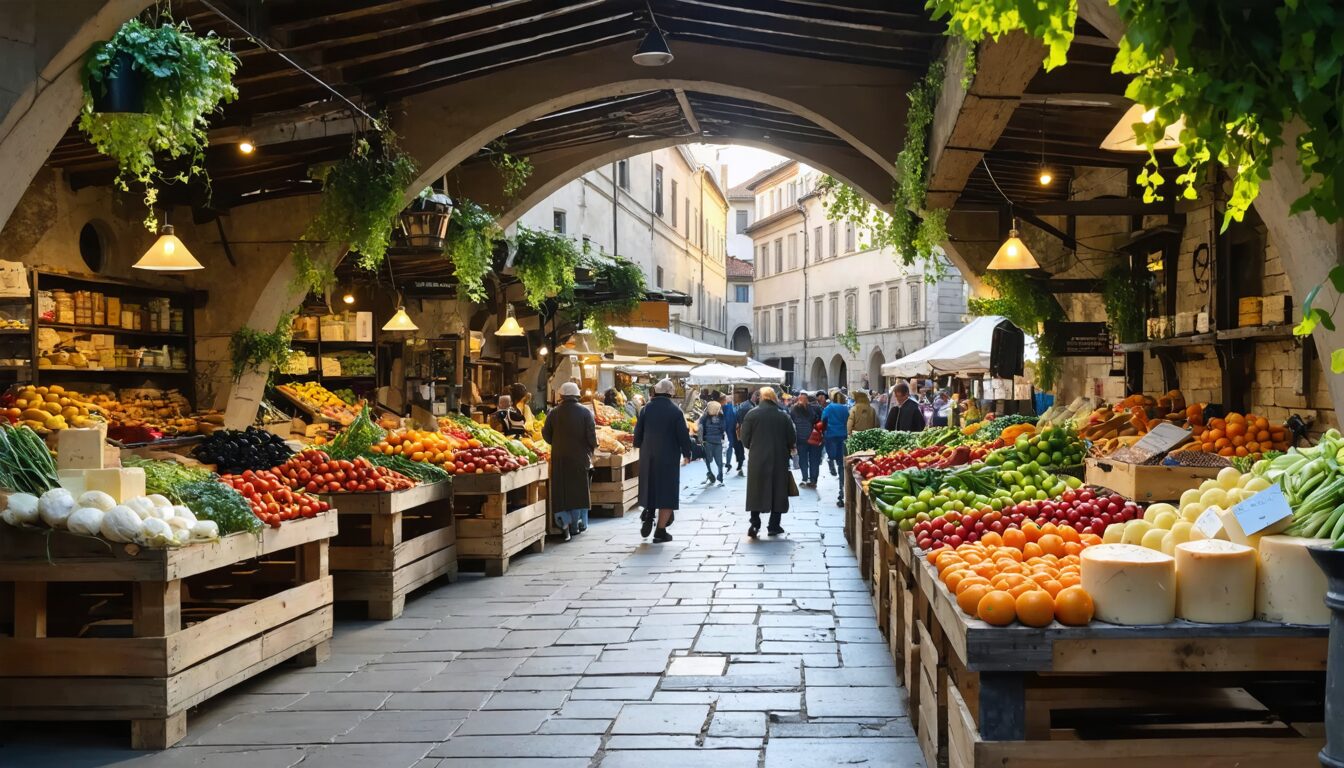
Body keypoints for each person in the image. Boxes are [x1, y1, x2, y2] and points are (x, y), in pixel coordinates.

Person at [634, 378, 693, 543]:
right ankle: (660, 531)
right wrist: (687, 452)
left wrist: (639, 445)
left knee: (650, 486)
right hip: (668, 456)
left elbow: (638, 433)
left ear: (656, 392)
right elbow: (683, 434)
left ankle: (649, 514)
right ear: (671, 393)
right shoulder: (676, 411)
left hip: (648, 455)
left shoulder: (646, 409)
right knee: (667, 492)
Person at [738, 386, 795, 538]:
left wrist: (755, 447)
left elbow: (745, 440)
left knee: (756, 490)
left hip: (757, 459)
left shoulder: (752, 414)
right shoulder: (783, 416)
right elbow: (792, 438)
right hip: (779, 458)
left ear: (761, 398)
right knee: (778, 490)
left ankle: (755, 523)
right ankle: (774, 525)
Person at [543, 382, 597, 540]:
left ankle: (564, 524)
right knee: (577, 492)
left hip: (559, 457)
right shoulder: (586, 412)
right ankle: (574, 526)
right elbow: (592, 437)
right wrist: (591, 449)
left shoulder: (553, 413)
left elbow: (546, 435)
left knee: (561, 492)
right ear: (577, 395)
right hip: (580, 457)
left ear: (561, 396)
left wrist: (558, 442)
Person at [820, 390, 850, 506]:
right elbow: (848, 420)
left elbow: (824, 419)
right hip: (842, 436)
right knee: (841, 463)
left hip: (831, 435)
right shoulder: (845, 408)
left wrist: (823, 432)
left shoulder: (829, 407)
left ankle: (830, 460)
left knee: (831, 453)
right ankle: (841, 490)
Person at [789, 392, 822, 487]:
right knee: (813, 460)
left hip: (802, 438)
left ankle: (805, 478)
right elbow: (821, 422)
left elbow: (792, 423)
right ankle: (812, 480)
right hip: (812, 438)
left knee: (804, 459)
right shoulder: (815, 409)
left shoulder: (794, 409)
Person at [696, 401, 727, 486]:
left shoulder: (705, 417)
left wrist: (700, 439)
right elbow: (723, 428)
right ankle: (720, 477)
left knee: (708, 459)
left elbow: (700, 428)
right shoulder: (721, 417)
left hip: (708, 442)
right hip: (718, 442)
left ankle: (710, 472)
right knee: (719, 461)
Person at [733, 391, 755, 476]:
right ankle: (741, 465)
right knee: (744, 447)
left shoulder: (744, 405)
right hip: (743, 430)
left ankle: (740, 464)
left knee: (740, 448)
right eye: (756, 395)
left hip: (740, 429)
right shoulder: (747, 407)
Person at [720, 393, 739, 476]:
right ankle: (728, 463)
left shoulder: (723, 408)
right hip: (731, 430)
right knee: (730, 446)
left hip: (725, 430)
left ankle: (726, 463)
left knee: (727, 446)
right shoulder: (733, 408)